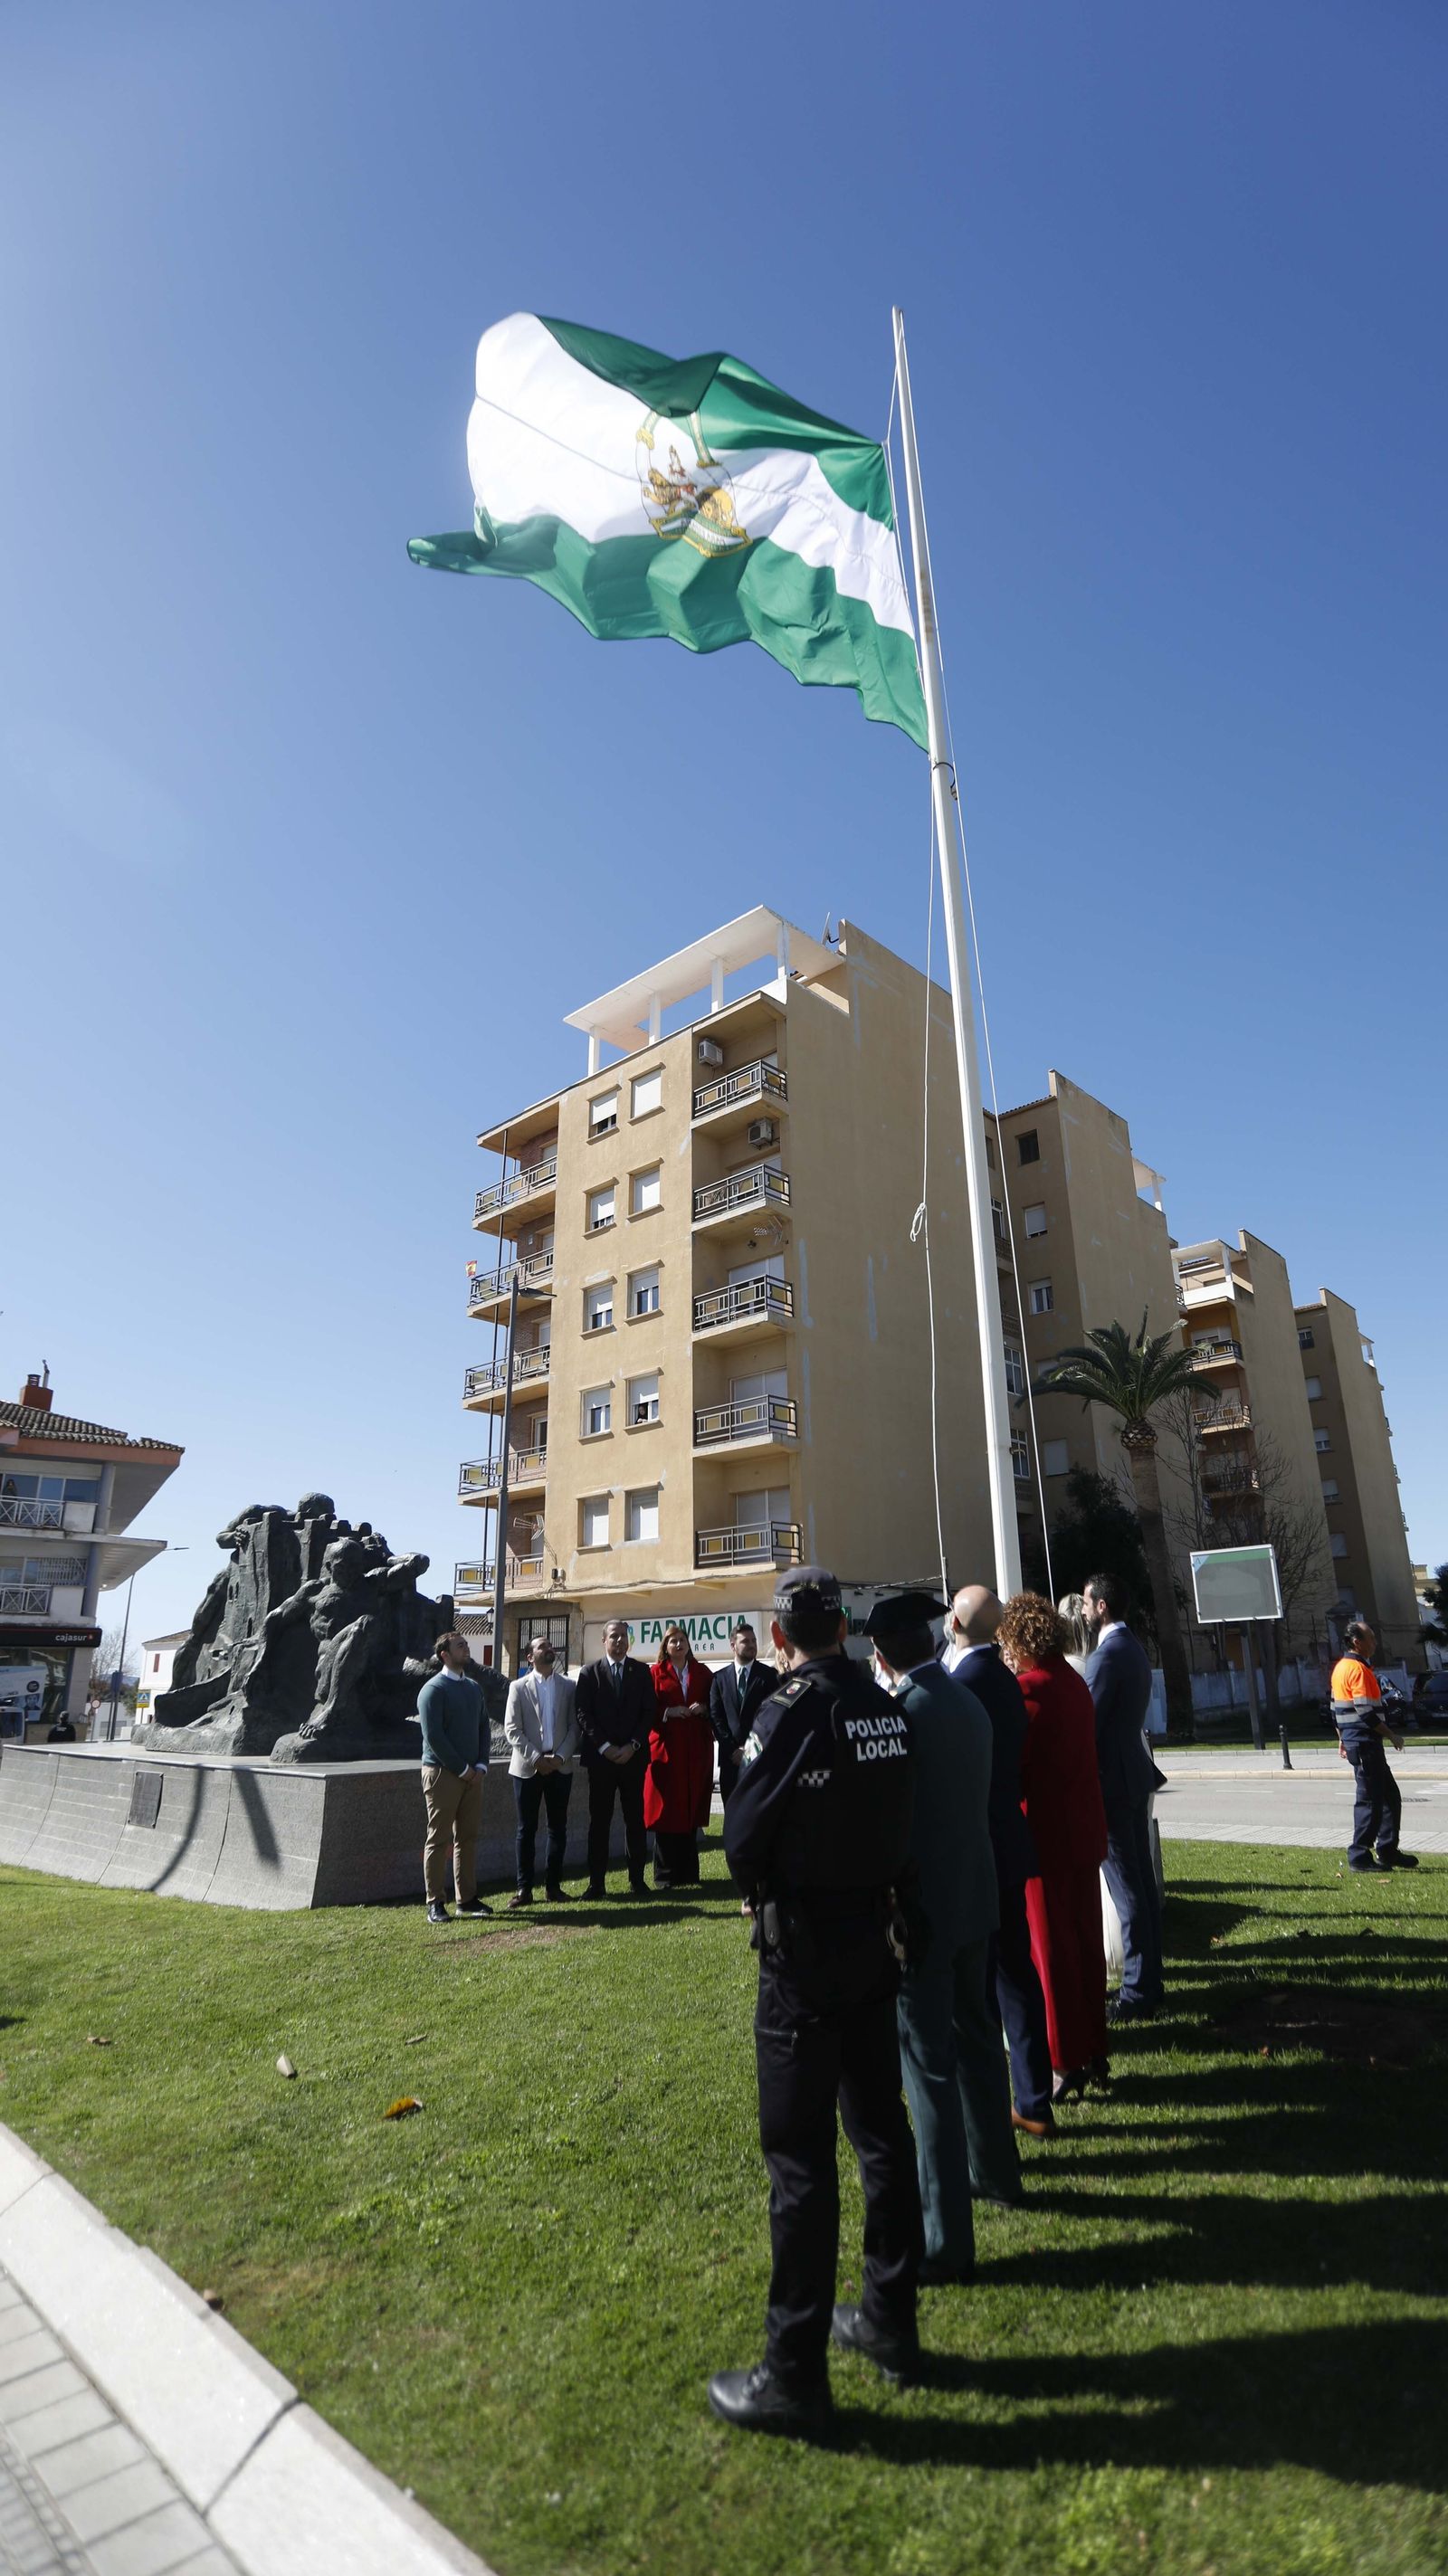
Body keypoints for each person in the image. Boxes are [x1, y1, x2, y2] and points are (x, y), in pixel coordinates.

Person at [709, 1568, 921, 2442]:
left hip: (804, 1958)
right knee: (882, 2132)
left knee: (799, 2162)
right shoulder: (885, 1707)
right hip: (875, 1942)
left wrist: (762, 1884)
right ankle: (889, 2315)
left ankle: (793, 2371)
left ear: (784, 1635)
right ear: (845, 1627)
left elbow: (742, 1834)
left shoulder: (789, 1709)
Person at [867, 1590, 1015, 2285]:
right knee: (981, 2039)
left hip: (923, 1914)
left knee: (927, 2066)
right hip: (974, 1897)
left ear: (880, 1654)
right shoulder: (968, 1700)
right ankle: (997, 2171)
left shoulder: (905, 1715)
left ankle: (945, 2236)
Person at [948, 1585, 1055, 2142]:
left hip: (976, 1848)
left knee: (982, 1985)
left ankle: (995, 2106)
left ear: (957, 1623)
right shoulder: (1004, 1683)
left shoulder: (961, 1685)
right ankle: (1034, 2098)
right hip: (1008, 1842)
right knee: (1016, 1975)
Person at [998, 1592, 1109, 2103]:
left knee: (1051, 1952)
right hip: (1083, 1831)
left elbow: (1015, 1771)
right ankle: (1095, 2044)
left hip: (1044, 1836)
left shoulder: (1027, 1692)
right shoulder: (1075, 1684)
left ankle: (1064, 2058)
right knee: (1085, 1943)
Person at [1082, 1573, 1166, 2021]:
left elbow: (1087, 1726)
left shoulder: (1107, 1656)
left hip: (1111, 1783)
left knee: (1127, 1889)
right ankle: (1151, 1981)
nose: (1080, 1608)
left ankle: (1137, 1993)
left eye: (1084, 1601)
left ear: (1101, 1607)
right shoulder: (1132, 1648)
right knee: (1142, 1888)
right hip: (1131, 1775)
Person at [1330, 1619, 1418, 1873]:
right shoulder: (1357, 1670)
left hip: (1358, 1741)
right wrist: (1392, 1735)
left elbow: (1335, 1709)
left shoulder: (1341, 1668)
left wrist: (1342, 1738)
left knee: (1389, 1797)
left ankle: (1388, 1850)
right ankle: (1359, 1855)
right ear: (1357, 1642)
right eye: (1371, 1638)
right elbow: (1365, 1712)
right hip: (1365, 1741)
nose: (1375, 1642)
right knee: (1370, 1801)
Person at [575, 1619, 654, 1898]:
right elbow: (583, 1714)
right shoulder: (590, 1673)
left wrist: (633, 1745)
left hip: (633, 1759)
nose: (619, 1641)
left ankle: (637, 1881)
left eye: (623, 1636)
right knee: (600, 1823)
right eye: (614, 1637)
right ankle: (596, 1884)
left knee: (635, 1821)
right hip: (601, 1761)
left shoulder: (642, 1672)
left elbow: (648, 1713)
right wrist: (605, 1747)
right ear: (604, 1641)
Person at [416, 1632, 491, 1925]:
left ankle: (467, 1898)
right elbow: (434, 1736)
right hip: (442, 1774)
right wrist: (462, 1769)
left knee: (468, 1838)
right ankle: (435, 1901)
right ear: (444, 1654)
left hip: (473, 1775)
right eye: (460, 1646)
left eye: (465, 1645)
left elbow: (484, 1727)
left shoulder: (473, 1688)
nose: (466, 1648)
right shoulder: (433, 1690)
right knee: (439, 1838)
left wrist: (481, 1766)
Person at [503, 1637, 580, 1907]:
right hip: (527, 1768)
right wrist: (537, 1758)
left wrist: (559, 1757)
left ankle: (553, 1887)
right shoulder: (518, 1687)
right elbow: (512, 1729)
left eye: (550, 1646)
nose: (550, 1649)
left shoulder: (569, 1686)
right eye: (542, 1647)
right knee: (526, 1829)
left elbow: (574, 1727)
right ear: (530, 1657)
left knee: (558, 1828)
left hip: (560, 1767)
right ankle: (524, 1889)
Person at [646, 1625, 715, 1887]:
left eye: (682, 1640)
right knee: (666, 1811)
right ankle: (665, 1876)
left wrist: (705, 1708)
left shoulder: (701, 1672)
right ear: (665, 1646)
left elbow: (715, 1703)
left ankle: (689, 1874)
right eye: (673, 1641)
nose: (678, 1644)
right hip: (667, 1751)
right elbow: (646, 1708)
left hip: (695, 1751)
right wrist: (668, 1712)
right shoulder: (655, 1673)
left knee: (690, 1809)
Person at [710, 1621, 772, 1807]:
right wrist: (732, 1750)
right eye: (746, 1641)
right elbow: (716, 1717)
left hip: (759, 1759)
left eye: (754, 1640)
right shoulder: (719, 1679)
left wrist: (751, 1748)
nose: (752, 1644)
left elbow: (770, 1717)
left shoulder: (769, 1676)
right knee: (732, 1814)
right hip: (731, 1761)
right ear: (733, 1645)